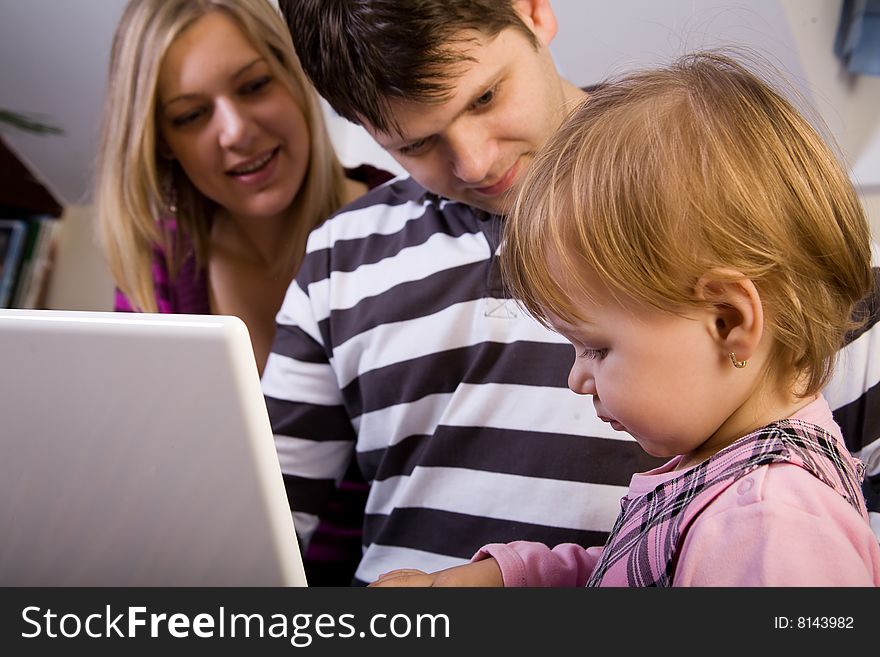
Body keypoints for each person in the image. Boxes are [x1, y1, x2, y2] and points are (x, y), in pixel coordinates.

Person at [265, 0, 880, 585]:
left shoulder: (767, 223)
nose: (475, 163)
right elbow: (263, 528)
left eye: (485, 96)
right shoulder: (338, 260)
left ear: (532, 9)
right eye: (415, 144)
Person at [94, 0, 393, 586]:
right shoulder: (162, 276)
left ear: (298, 75)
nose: (235, 131)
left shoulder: (403, 229)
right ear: (161, 142)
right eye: (190, 115)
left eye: (254, 85)